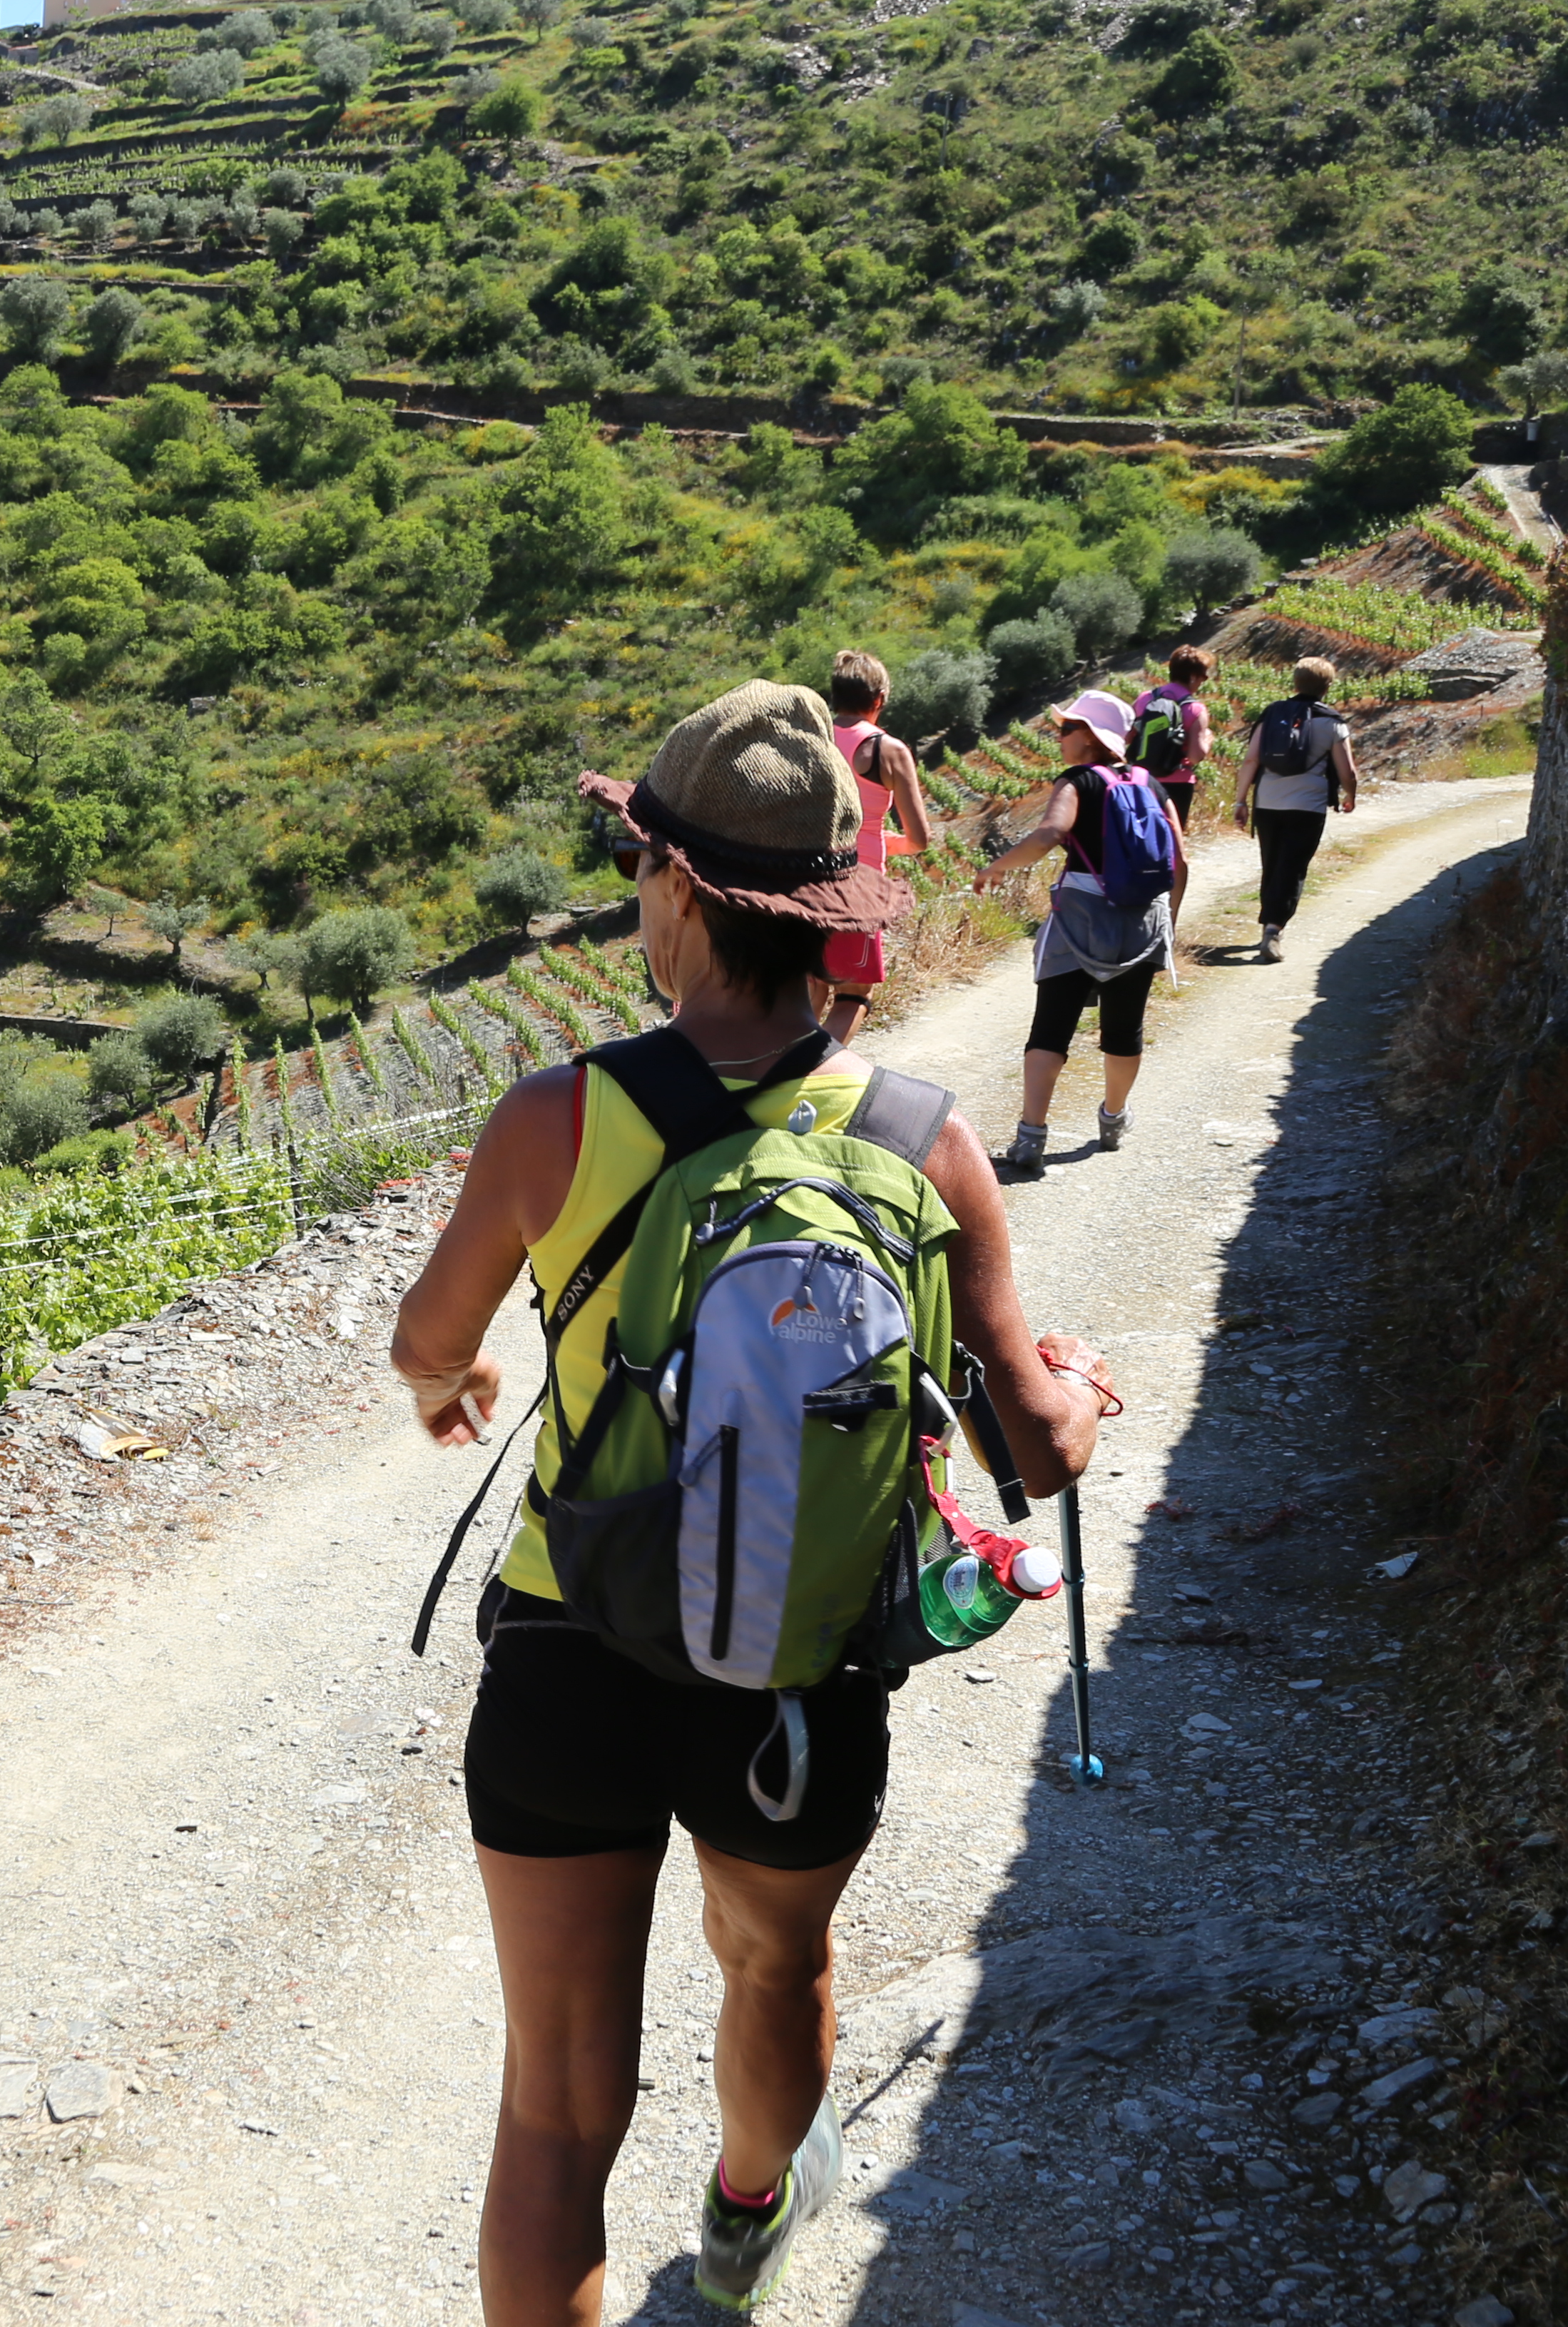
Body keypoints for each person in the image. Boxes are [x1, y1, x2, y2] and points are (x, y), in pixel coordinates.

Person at [387, 684, 1116, 2326]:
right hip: (796, 1669)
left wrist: (454, 1388)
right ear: (824, 917)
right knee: (774, 1963)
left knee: (554, 2109)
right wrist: (1078, 1394)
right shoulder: (924, 1143)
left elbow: (424, 1342)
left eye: (637, 868)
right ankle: (742, 2210)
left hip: (568, 1647)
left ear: (677, 889)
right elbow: (1031, 1454)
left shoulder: (555, 1120)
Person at [980, 690, 1187, 1171]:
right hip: (1143, 919)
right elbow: (1181, 858)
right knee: (1124, 1029)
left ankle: (1031, 1138)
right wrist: (1168, 923)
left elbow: (1051, 833)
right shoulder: (1152, 785)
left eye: (1066, 728)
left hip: (1080, 916)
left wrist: (996, 869)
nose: (1060, 736)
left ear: (1090, 737)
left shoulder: (1077, 781)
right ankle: (1113, 1119)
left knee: (1051, 1027)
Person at [813, 647, 934, 1047]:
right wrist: (883, 845)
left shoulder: (812, 741)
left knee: (810, 990)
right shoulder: (889, 751)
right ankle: (815, 1073)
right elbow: (919, 839)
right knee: (853, 993)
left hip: (804, 878)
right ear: (879, 700)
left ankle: (781, 1079)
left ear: (835, 697)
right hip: (858, 884)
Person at [1235, 652, 1358, 963]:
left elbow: (1251, 759)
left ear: (1295, 682)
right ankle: (1273, 930)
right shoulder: (1332, 723)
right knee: (1293, 867)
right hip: (1308, 806)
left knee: (1273, 863)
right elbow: (1348, 772)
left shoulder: (1272, 714)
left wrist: (1240, 800)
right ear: (1327, 687)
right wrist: (1351, 795)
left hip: (1268, 803)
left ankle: (1268, 922)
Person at [1130, 644, 1218, 837]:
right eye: (1203, 676)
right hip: (1177, 782)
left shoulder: (1145, 699)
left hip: (1141, 778)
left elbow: (1127, 737)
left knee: (1140, 835)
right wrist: (1208, 739)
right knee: (1170, 839)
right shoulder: (1195, 709)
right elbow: (1195, 756)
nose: (1203, 682)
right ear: (1194, 676)